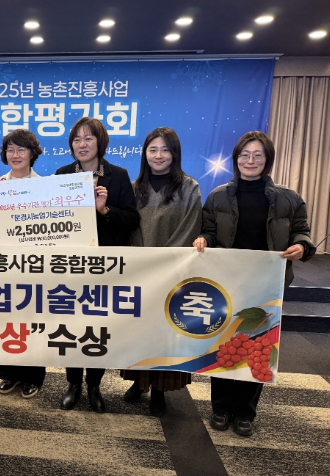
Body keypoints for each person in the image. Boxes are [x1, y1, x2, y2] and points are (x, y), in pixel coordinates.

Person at [193, 130, 315, 436]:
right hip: (227, 281)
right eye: (244, 155)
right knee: (225, 344)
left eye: (257, 155)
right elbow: (209, 231)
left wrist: (301, 246)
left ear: (267, 159)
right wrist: (203, 239)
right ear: (236, 159)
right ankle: (220, 408)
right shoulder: (218, 196)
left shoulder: (289, 198)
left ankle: (245, 411)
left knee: (258, 346)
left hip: (266, 283)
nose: (250, 160)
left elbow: (301, 231)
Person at [55, 117, 140, 413]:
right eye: (77, 139)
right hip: (71, 265)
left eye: (88, 138)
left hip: (105, 266)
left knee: (98, 326)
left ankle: (94, 385)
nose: (82, 144)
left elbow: (132, 219)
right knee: (71, 324)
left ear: (100, 142)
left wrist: (105, 210)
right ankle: (73, 384)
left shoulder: (118, 175)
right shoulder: (62, 175)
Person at [121, 127, 202, 416]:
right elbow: (128, 227)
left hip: (172, 272)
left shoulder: (189, 188)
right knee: (139, 330)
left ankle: (159, 390)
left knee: (165, 331)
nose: (158, 155)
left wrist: (164, 262)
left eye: (165, 149)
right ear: (145, 154)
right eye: (153, 149)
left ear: (175, 153)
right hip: (140, 272)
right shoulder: (134, 188)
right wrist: (142, 262)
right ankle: (139, 381)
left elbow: (191, 227)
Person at [0, 129, 47, 398]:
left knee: (32, 319)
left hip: (34, 264)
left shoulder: (45, 187)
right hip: (4, 263)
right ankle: (9, 373)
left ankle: (33, 376)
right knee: (5, 317)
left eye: (21, 149)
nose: (15, 154)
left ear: (32, 153)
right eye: (10, 149)